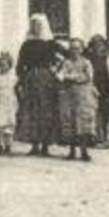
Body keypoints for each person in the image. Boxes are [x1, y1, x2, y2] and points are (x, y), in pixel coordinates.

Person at [17, 13, 67, 156]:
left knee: (47, 111)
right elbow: (20, 64)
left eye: (39, 25)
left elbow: (68, 54)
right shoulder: (27, 45)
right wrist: (22, 78)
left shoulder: (51, 43)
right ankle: (34, 145)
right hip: (31, 80)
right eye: (33, 25)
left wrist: (57, 70)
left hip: (47, 80)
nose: (36, 28)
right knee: (32, 111)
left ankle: (46, 145)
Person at [56, 37, 98, 162]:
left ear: (82, 49)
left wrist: (70, 77)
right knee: (71, 121)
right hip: (69, 95)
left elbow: (88, 77)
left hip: (84, 95)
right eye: (72, 48)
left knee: (84, 122)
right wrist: (69, 77)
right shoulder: (66, 63)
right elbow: (60, 76)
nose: (75, 51)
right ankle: (72, 150)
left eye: (77, 48)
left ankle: (84, 151)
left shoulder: (86, 62)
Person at [88, 35, 109, 146]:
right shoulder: (90, 60)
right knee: (95, 114)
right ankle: (97, 138)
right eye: (96, 46)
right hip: (94, 89)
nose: (99, 48)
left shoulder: (106, 60)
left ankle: (104, 136)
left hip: (106, 90)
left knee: (105, 114)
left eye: (101, 45)